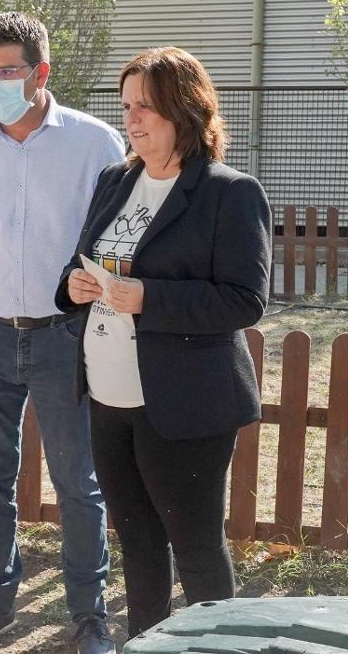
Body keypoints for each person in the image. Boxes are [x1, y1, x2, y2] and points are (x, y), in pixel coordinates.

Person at [0, 12, 125, 653]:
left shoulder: (95, 145)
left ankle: (89, 615)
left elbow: (114, 240)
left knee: (78, 481)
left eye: (6, 71)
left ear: (40, 73)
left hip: (65, 339)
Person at [55, 46, 270, 640]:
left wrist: (150, 297)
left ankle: (219, 648)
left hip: (183, 405)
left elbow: (245, 300)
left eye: (146, 106)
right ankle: (147, 644)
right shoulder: (114, 180)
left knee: (196, 549)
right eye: (127, 107)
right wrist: (72, 287)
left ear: (187, 110)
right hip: (107, 396)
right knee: (139, 546)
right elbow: (90, 263)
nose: (132, 120)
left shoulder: (230, 192)